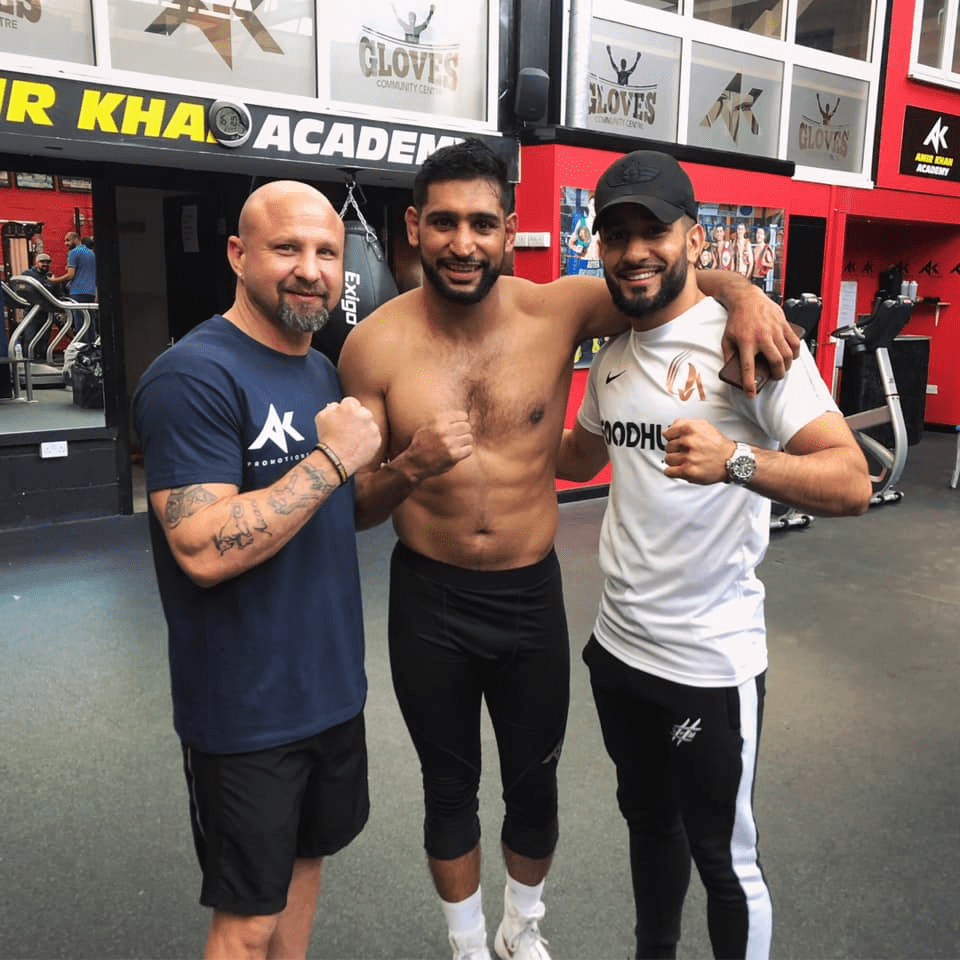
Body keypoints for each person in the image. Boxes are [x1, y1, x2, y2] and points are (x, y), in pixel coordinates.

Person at [337, 139, 799, 960]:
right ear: (413, 227)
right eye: (443, 222)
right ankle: (469, 944)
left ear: (510, 231)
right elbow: (356, 509)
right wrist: (409, 466)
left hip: (528, 598)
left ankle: (525, 925)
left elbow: (661, 282)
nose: (463, 241)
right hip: (428, 599)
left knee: (532, 786)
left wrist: (747, 293)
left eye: (483, 222)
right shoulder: (372, 346)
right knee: (448, 790)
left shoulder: (560, 310)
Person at [555, 150, 872, 960]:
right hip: (619, 652)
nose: (634, 251)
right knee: (648, 828)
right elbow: (576, 460)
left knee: (724, 862)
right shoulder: (615, 355)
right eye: (616, 234)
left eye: (653, 231)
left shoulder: (749, 342)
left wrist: (736, 459)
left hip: (710, 663)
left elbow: (850, 480)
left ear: (694, 238)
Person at [132, 181, 381, 960]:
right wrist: (334, 456)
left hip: (329, 692)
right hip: (244, 712)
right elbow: (202, 545)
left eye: (326, 253)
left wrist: (406, 469)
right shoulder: (193, 376)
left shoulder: (319, 371)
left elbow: (329, 513)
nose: (310, 269)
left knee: (305, 867)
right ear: (239, 256)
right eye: (287, 249)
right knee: (246, 922)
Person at [52, 231, 97, 339]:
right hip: (90, 292)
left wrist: (53, 280)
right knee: (89, 322)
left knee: (80, 323)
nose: (66, 244)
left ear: (76, 239)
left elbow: (70, 275)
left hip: (78, 291)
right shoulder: (91, 253)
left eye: (68, 240)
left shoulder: (74, 252)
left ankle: (81, 349)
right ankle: (91, 348)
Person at [20, 253, 59, 360]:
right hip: (32, 311)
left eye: (47, 262)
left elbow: (58, 295)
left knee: (44, 338)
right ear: (36, 263)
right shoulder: (27, 275)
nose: (45, 264)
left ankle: (42, 360)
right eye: (42, 262)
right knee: (29, 336)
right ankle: (28, 360)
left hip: (46, 312)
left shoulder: (51, 277)